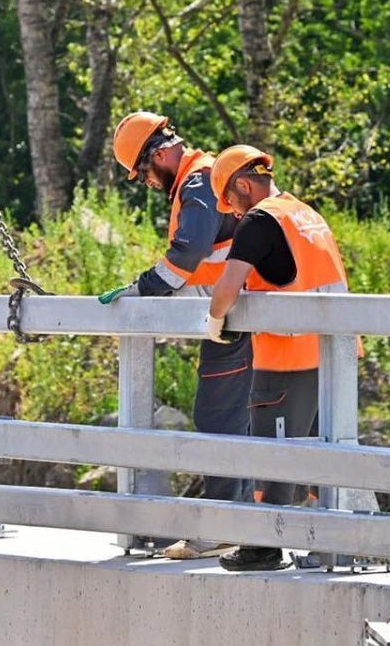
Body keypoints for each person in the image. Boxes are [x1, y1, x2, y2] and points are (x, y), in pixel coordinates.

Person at [99, 112, 253, 560]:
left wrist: (145, 288)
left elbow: (189, 252)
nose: (145, 181)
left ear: (162, 153)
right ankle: (241, 522)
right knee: (238, 423)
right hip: (234, 315)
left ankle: (222, 528)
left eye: (144, 171)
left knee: (218, 420)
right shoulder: (199, 180)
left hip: (235, 318)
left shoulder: (198, 182)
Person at [204, 144, 354, 571]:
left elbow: (227, 287)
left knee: (274, 451)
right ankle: (345, 540)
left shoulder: (259, 220)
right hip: (332, 355)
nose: (231, 212)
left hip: (286, 357)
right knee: (325, 454)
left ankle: (263, 547)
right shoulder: (307, 215)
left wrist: (215, 322)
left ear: (243, 185)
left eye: (230, 201)